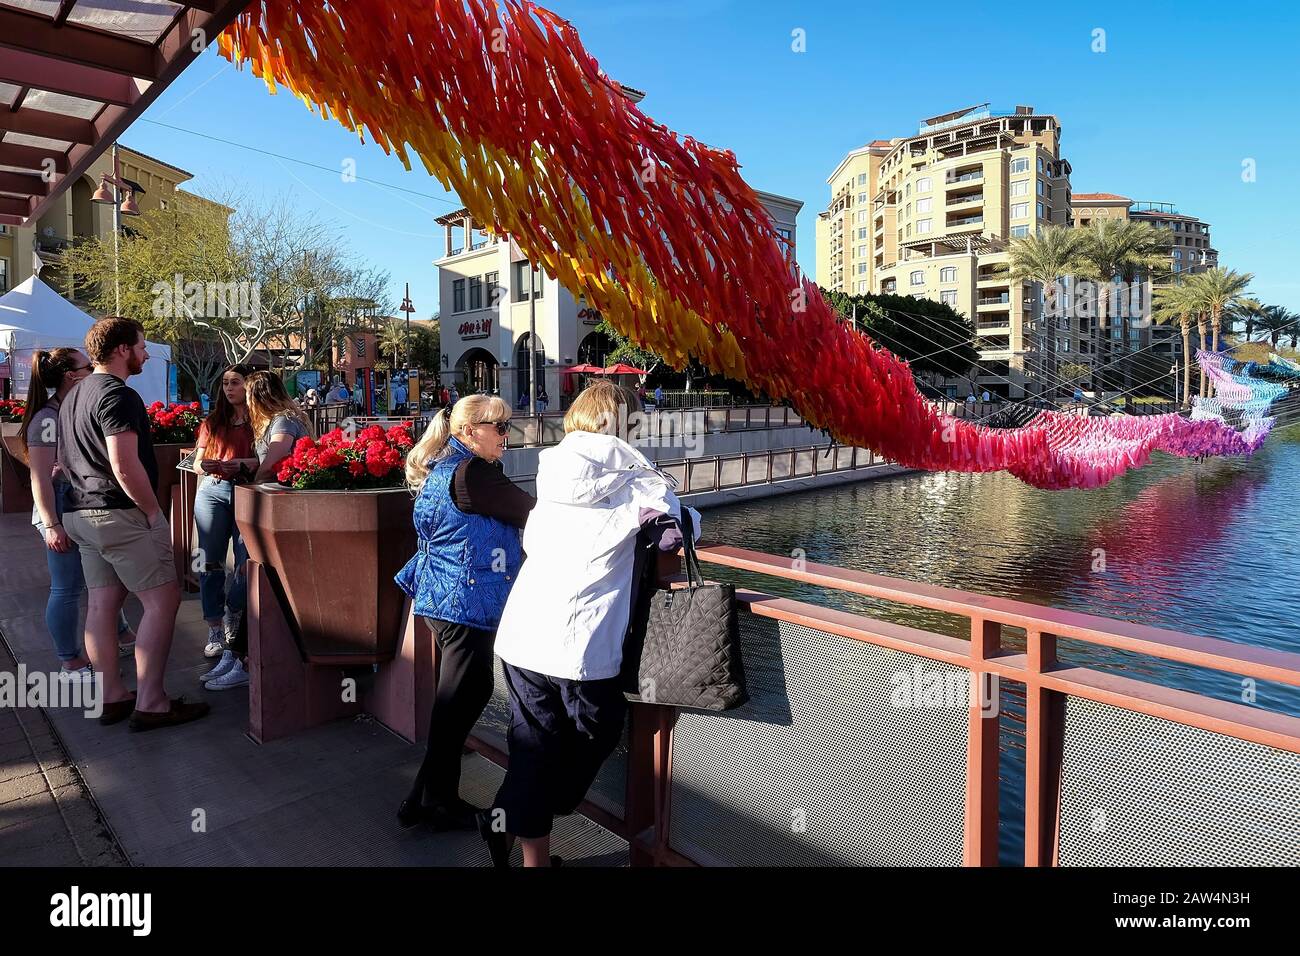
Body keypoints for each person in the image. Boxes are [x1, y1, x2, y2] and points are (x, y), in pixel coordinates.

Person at [479, 380, 699, 867]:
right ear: (626, 422)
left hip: (523, 632)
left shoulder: (552, 467)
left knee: (533, 746)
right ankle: (518, 816)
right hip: (583, 643)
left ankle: (508, 820)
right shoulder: (638, 475)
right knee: (595, 735)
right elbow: (669, 538)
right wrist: (688, 517)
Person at [59, 317, 209, 731]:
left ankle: (112, 696)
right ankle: (152, 701)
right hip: (118, 514)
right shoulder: (117, 395)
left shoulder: (74, 394)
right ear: (123, 349)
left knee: (102, 606)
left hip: (80, 514)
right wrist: (152, 513)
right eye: (142, 346)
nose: (145, 353)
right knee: (162, 601)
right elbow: (124, 465)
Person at [393, 394, 534, 830]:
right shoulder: (475, 474)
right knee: (458, 701)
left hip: (443, 598)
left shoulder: (447, 466)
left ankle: (424, 798)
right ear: (469, 431)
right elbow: (535, 513)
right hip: (465, 604)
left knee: (458, 700)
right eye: (500, 427)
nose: (507, 437)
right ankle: (435, 800)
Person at [19, 348, 135, 681]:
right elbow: (38, 476)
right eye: (88, 365)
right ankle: (69, 660)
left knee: (102, 579)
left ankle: (121, 633)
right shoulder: (47, 418)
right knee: (67, 587)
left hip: (82, 504)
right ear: (73, 375)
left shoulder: (70, 409)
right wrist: (52, 524)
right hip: (60, 506)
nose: (94, 369)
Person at [199, 371, 315, 691]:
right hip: (274, 509)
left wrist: (253, 479)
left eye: (247, 392)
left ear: (258, 395)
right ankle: (238, 655)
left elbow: (277, 455)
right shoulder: (279, 419)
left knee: (249, 582)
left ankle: (242, 658)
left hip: (280, 511)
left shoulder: (282, 420)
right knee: (250, 582)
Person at [190, 364, 256, 661]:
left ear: (249, 385)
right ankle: (215, 626)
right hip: (213, 491)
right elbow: (195, 462)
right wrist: (203, 466)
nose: (230, 388)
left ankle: (233, 608)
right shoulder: (213, 421)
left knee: (246, 564)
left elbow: (267, 458)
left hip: (246, 491)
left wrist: (244, 463)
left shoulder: (261, 420)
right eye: (226, 383)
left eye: (236, 382)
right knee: (210, 562)